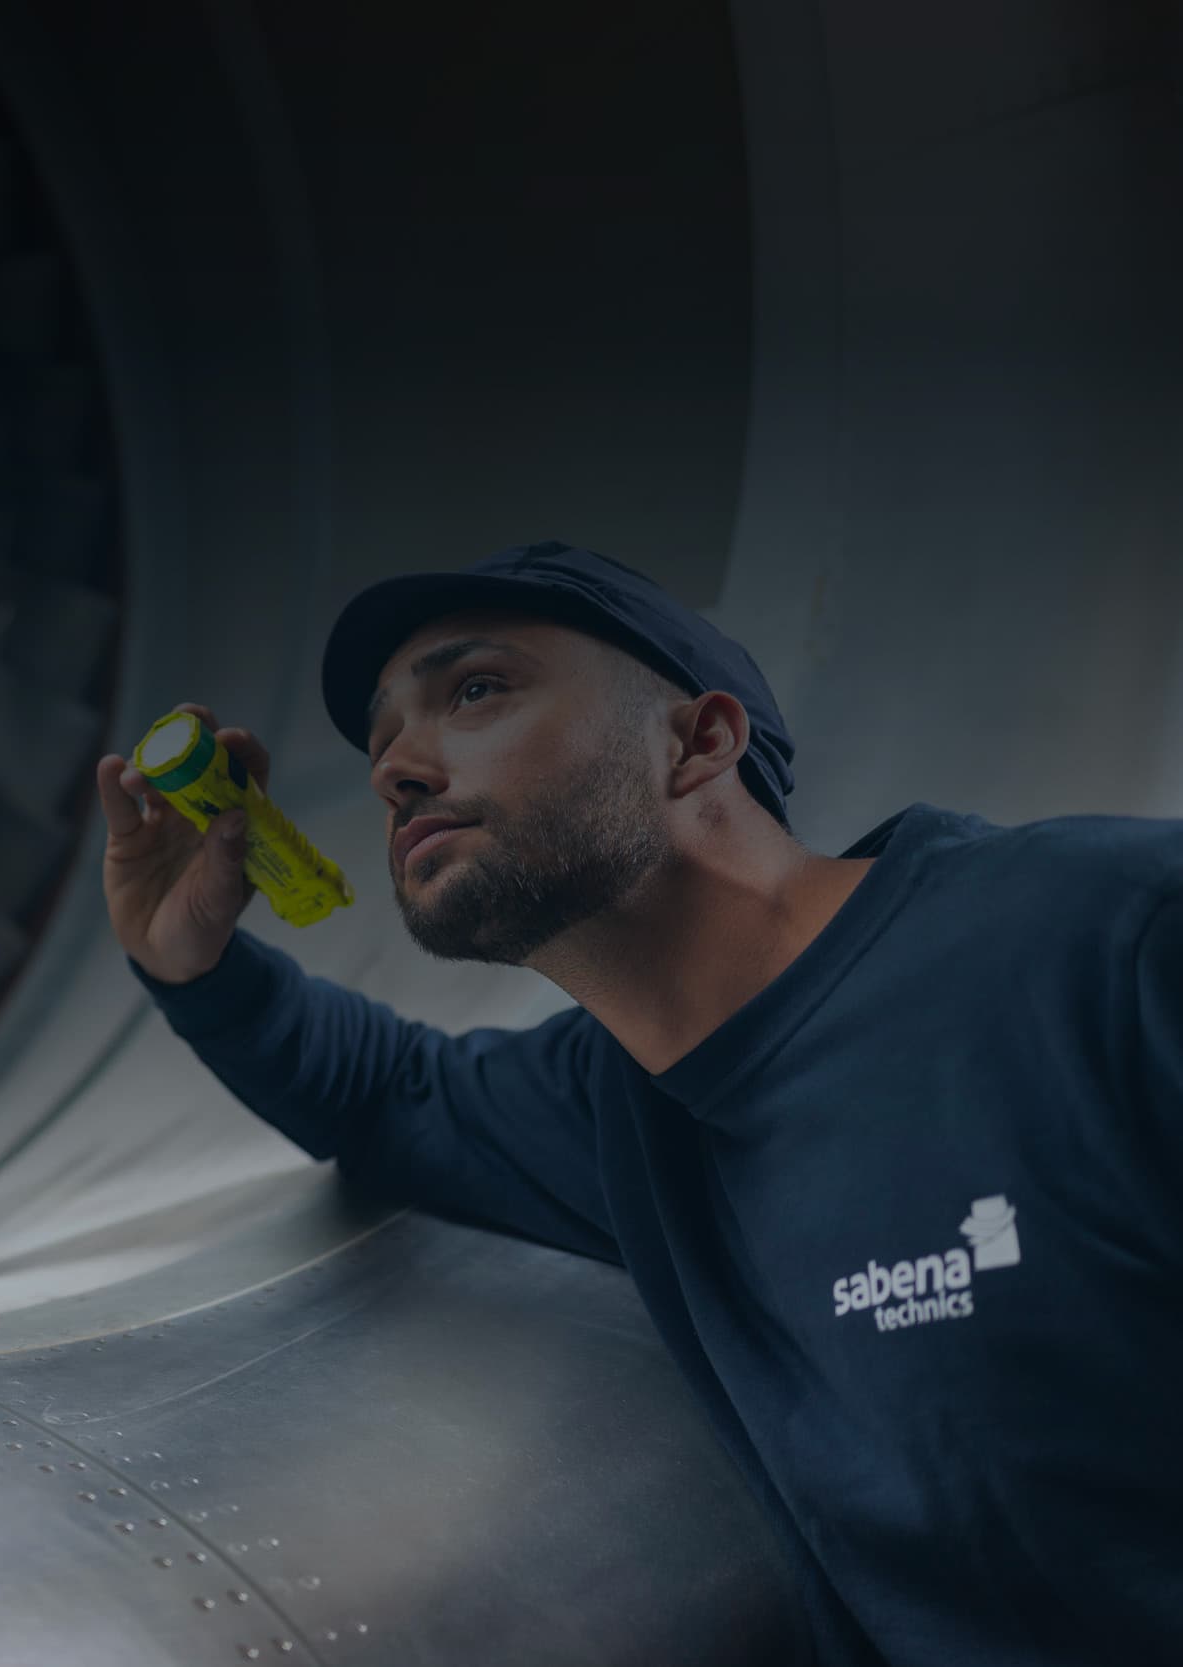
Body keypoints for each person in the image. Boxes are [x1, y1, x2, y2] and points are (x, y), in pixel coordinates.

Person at [95, 542, 1182, 1667]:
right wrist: (195, 966)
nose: (396, 768)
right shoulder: (619, 1101)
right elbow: (385, 1094)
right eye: (381, 740)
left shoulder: (1112, 937)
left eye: (474, 690)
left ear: (698, 741)